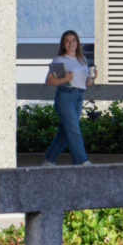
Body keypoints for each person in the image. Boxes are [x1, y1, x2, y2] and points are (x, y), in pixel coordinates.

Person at [40, 29, 95, 166]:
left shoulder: (82, 60)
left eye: (73, 40)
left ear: (77, 42)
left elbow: (86, 83)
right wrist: (64, 78)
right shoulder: (59, 60)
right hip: (65, 96)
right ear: (63, 44)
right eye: (68, 41)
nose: (71, 43)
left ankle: (49, 160)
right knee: (73, 129)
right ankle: (81, 161)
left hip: (79, 97)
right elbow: (49, 81)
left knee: (66, 131)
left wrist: (92, 78)